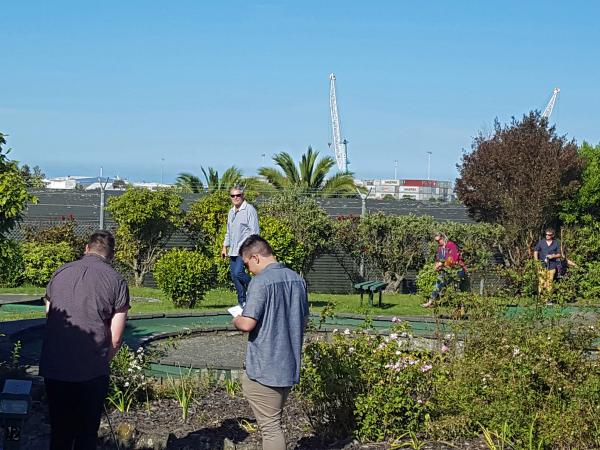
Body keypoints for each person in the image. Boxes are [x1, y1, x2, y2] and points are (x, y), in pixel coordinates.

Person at [40, 231, 130, 450]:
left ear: (86, 248)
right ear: (112, 255)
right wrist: (102, 362)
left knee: (60, 432)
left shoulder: (60, 272)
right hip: (91, 370)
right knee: (86, 434)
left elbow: (50, 313)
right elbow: (116, 338)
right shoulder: (116, 281)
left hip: (56, 366)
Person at [233, 235, 309, 450]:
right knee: (273, 422)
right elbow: (303, 321)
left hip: (265, 367)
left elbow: (247, 324)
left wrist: (235, 320)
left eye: (247, 264)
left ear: (255, 257)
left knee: (270, 428)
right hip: (288, 364)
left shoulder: (261, 282)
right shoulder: (297, 279)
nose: (247, 270)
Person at [221, 185, 260, 307]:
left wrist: (250, 250)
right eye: (233, 195)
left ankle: (256, 286)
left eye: (238, 195)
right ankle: (242, 302)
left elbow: (255, 232)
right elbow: (229, 231)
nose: (235, 197)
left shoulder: (249, 210)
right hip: (232, 250)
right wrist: (224, 246)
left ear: (243, 196)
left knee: (238, 273)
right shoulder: (231, 212)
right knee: (234, 276)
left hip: (243, 251)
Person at [422, 232, 467, 308]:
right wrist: (437, 266)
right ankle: (430, 301)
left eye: (438, 240)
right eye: (436, 241)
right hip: (447, 271)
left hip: (458, 270)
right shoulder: (439, 249)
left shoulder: (451, 245)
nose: (437, 242)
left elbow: (453, 258)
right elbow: (438, 260)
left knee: (457, 287)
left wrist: (442, 263)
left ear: (443, 238)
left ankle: (462, 306)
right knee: (439, 282)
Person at [533, 228, 562, 297]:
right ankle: (541, 299)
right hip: (541, 265)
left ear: (552, 235)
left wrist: (552, 256)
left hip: (552, 266)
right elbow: (535, 251)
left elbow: (559, 254)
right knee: (541, 282)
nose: (547, 236)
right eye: (546, 234)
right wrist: (536, 262)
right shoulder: (541, 242)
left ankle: (548, 298)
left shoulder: (556, 243)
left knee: (549, 283)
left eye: (549, 235)